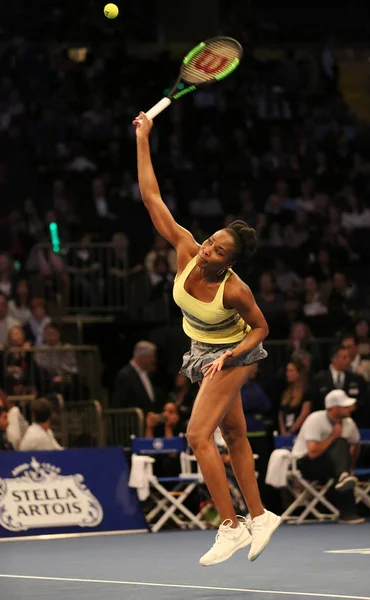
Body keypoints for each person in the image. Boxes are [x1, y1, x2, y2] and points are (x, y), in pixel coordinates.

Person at [133, 112, 281, 566]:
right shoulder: (185, 249)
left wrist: (232, 355)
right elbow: (152, 196)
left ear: (228, 263)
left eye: (217, 250)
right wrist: (143, 138)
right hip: (200, 349)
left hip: (234, 352)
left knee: (198, 435)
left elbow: (263, 328)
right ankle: (260, 515)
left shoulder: (235, 290)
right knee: (234, 432)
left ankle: (230, 525)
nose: (207, 249)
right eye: (210, 240)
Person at [291, 390, 365, 524]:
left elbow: (356, 446)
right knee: (340, 443)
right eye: (344, 406)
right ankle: (344, 476)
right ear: (333, 408)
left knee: (344, 474)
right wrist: (333, 436)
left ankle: (348, 514)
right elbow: (312, 453)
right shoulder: (315, 419)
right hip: (306, 464)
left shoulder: (349, 422)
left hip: (331, 465)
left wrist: (350, 466)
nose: (349, 408)